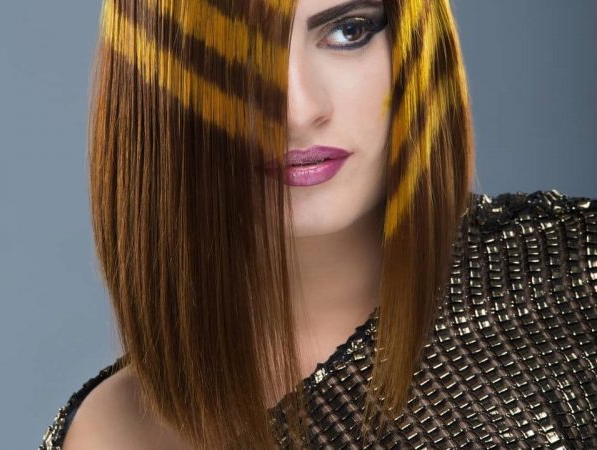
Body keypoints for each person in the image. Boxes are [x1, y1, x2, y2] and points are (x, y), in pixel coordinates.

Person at [39, 0, 597, 448]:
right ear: (153, 85)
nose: (297, 110)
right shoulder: (107, 432)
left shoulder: (572, 288)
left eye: (349, 31)